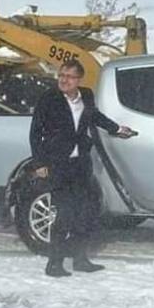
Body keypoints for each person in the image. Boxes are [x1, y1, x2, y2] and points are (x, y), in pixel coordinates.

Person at [29, 58, 135, 277]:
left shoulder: (85, 95)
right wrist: (39, 163)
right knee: (64, 213)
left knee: (85, 212)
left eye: (69, 76)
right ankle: (54, 263)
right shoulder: (49, 99)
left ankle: (80, 259)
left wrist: (116, 128)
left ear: (79, 79)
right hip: (58, 163)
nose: (64, 80)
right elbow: (35, 132)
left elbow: (94, 116)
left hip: (81, 163)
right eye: (61, 75)